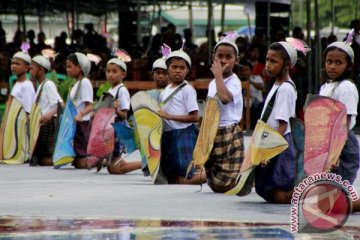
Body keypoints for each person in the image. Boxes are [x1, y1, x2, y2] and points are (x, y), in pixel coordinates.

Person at [254, 41, 298, 203]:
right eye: (267, 60)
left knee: (281, 194)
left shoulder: (286, 88)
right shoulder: (276, 84)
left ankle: (312, 194)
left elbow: (282, 124)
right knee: (271, 191)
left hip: (279, 143)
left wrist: (269, 152)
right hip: (270, 140)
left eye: (273, 61)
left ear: (287, 65)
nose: (267, 65)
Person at [319, 41, 360, 212]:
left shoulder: (347, 88)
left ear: (349, 65)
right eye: (329, 62)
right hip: (329, 139)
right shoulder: (326, 86)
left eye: (338, 63)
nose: (333, 67)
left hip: (342, 143)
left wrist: (335, 153)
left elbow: (345, 122)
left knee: (332, 204)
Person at [205, 34, 244, 193]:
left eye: (228, 57)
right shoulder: (213, 82)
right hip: (214, 131)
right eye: (220, 56)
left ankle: (243, 179)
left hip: (229, 131)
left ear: (237, 60)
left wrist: (219, 75)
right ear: (214, 58)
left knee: (224, 184)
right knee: (213, 183)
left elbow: (225, 98)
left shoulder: (234, 81)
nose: (223, 60)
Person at [158, 50, 205, 184]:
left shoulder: (187, 89)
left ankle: (212, 175)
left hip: (183, 134)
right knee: (172, 176)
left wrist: (170, 117)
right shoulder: (167, 89)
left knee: (183, 178)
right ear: (168, 68)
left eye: (182, 68)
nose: (177, 71)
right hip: (169, 135)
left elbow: (195, 117)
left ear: (187, 71)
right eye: (174, 67)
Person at [104, 58, 141, 174]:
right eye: (108, 71)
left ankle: (145, 164)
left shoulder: (122, 90)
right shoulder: (111, 89)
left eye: (114, 71)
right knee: (113, 164)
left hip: (117, 130)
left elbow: (124, 115)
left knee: (114, 169)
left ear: (123, 74)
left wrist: (115, 110)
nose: (110, 74)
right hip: (110, 130)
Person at [29, 55, 63, 166]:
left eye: (32, 68)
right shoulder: (41, 86)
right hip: (41, 125)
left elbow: (59, 104)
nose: (30, 70)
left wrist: (47, 115)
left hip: (47, 125)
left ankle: (62, 159)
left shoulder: (48, 85)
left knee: (45, 159)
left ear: (41, 70)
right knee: (39, 159)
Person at [66, 53, 94, 169]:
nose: (67, 70)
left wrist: (80, 114)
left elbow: (90, 106)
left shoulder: (85, 82)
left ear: (80, 68)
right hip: (76, 124)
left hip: (82, 124)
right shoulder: (77, 84)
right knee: (77, 161)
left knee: (81, 161)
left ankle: (100, 160)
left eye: (70, 66)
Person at [237, 59, 264, 129]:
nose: (244, 72)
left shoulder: (257, 78)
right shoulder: (236, 81)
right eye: (242, 70)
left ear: (251, 71)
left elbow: (262, 87)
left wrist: (249, 82)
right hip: (244, 106)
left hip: (258, 106)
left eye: (246, 70)